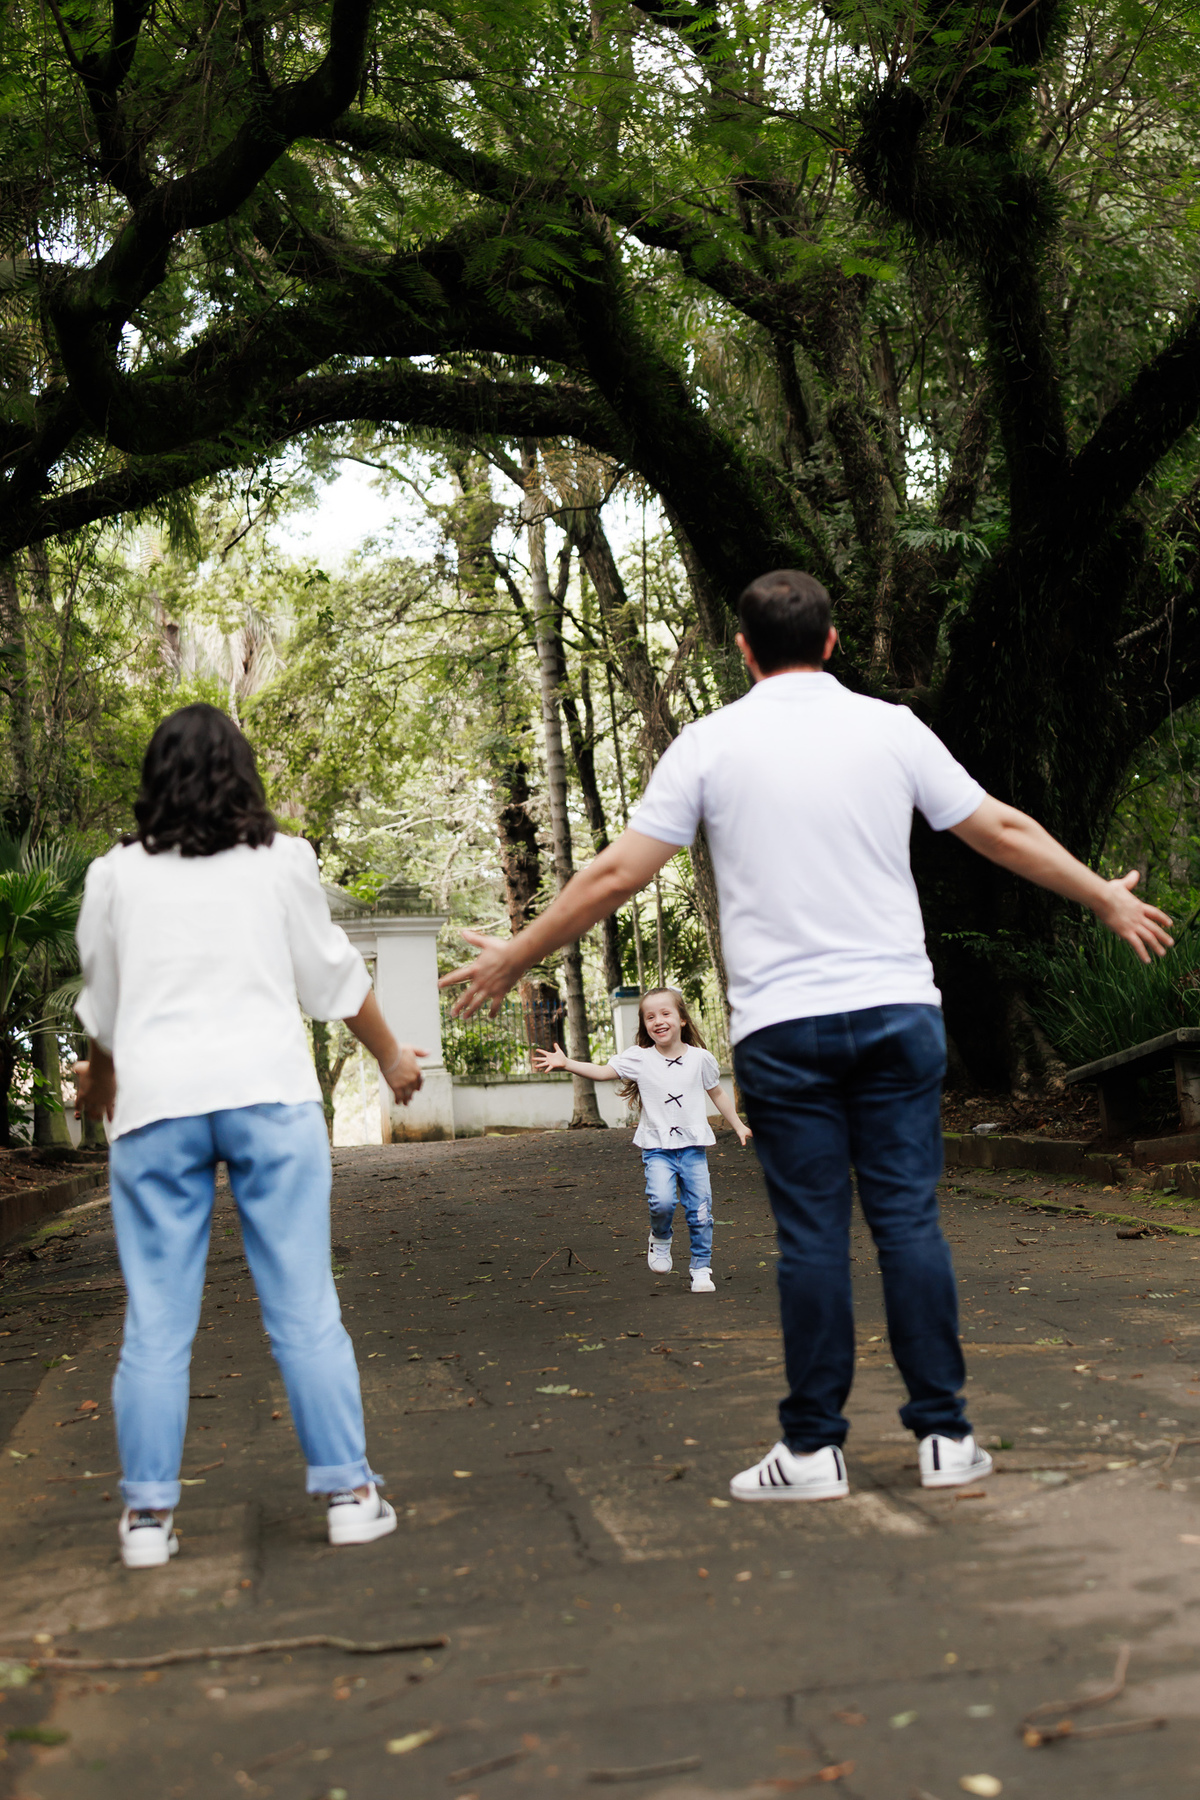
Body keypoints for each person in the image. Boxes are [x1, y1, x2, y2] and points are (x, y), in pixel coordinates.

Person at [441, 570, 1172, 1504]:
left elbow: (618, 872)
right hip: (899, 1014)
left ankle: (815, 1452)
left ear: (742, 651)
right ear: (831, 643)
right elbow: (997, 826)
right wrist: (1103, 893)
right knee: (908, 1221)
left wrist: (517, 955)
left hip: (786, 1032)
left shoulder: (709, 744)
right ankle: (946, 1438)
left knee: (813, 1238)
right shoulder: (891, 728)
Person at [74, 703, 427, 1568]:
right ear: (244, 774)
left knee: (157, 1322)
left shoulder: (114, 873)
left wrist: (103, 1082)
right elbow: (332, 976)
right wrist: (391, 1061)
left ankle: (148, 1521)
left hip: (157, 1107)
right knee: (304, 1307)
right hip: (268, 1096)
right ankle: (349, 1495)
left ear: (154, 778)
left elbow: (104, 1003)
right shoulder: (284, 861)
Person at [532, 986, 751, 1293]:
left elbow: (716, 1093)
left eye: (665, 1013)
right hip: (657, 1149)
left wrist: (738, 1125)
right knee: (662, 1202)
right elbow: (602, 1071)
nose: (658, 1021)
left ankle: (701, 1268)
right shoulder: (640, 1058)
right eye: (650, 1016)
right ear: (645, 1024)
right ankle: (660, 1237)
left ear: (682, 1019)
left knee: (701, 1211)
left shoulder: (701, 1059)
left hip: (693, 1149)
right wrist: (567, 1063)